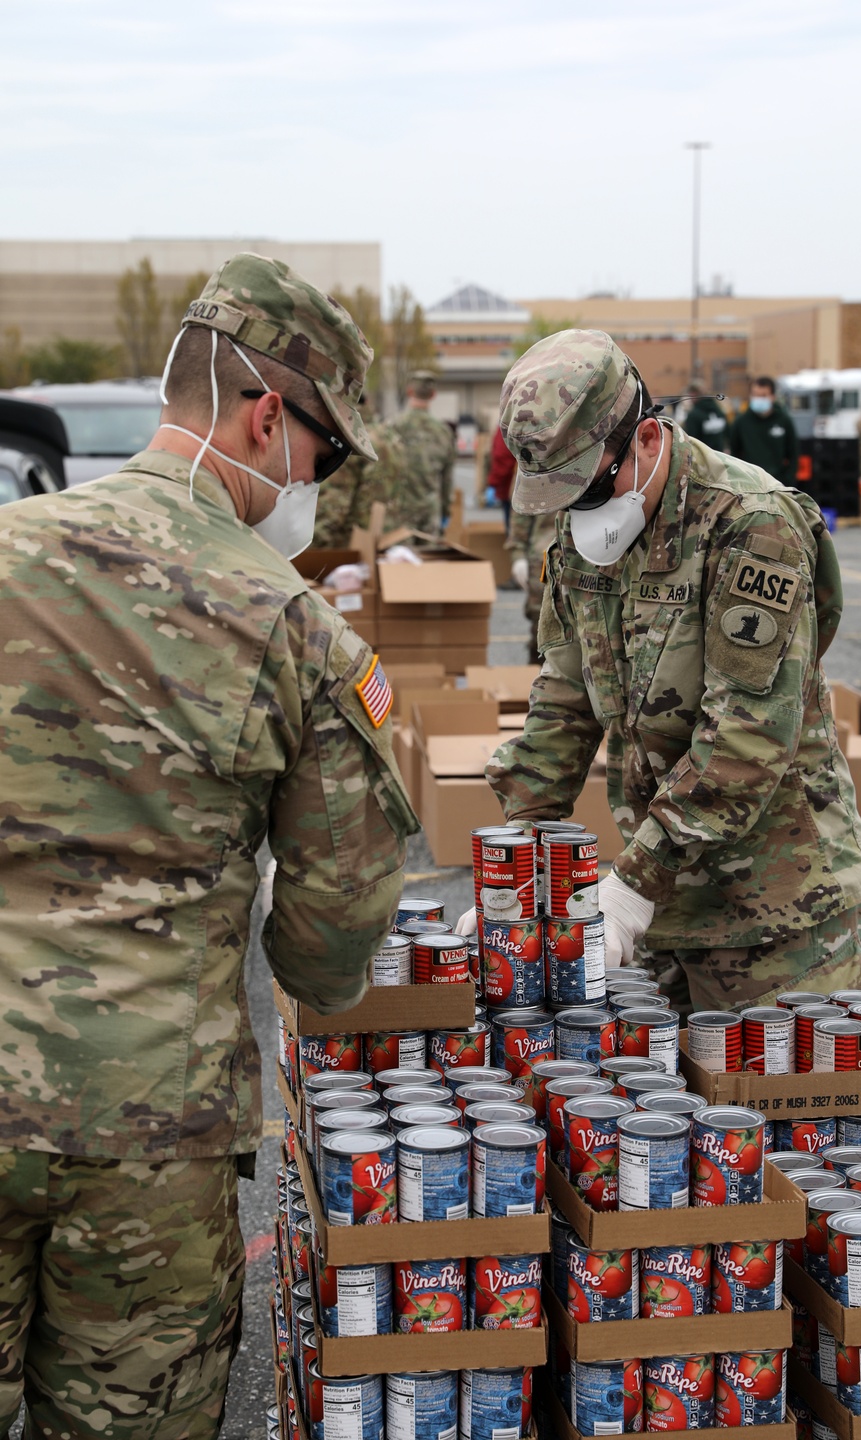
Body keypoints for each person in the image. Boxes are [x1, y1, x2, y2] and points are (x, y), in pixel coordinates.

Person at [0, 253, 418, 1439]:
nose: (315, 487)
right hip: (146, 1130)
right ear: (264, 413)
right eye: (322, 457)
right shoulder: (292, 626)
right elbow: (332, 938)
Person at [461, 330, 861, 1015]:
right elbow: (564, 697)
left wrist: (631, 886)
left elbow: (747, 739)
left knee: (786, 1114)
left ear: (647, 438)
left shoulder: (751, 526)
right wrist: (523, 863)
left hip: (779, 915)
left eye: (592, 485)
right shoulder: (585, 532)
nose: (581, 512)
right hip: (663, 905)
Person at [313, 409, 407, 548]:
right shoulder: (390, 437)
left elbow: (334, 504)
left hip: (350, 546)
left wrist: (315, 548)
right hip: (385, 540)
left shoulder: (352, 439)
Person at [384, 370, 456, 533]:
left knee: (399, 558)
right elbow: (447, 478)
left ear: (409, 391)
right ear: (433, 395)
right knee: (429, 557)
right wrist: (445, 510)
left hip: (398, 512)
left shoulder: (392, 427)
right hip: (429, 512)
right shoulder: (443, 431)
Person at [730, 375, 799, 485]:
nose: (759, 399)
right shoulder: (741, 422)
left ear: (772, 397)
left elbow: (793, 453)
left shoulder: (783, 420)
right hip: (750, 483)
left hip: (777, 483)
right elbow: (734, 453)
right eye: (755, 395)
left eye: (763, 396)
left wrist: (788, 481)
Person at [508, 510, 557, 663]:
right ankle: (538, 676)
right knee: (541, 621)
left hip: (586, 557)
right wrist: (518, 554)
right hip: (544, 557)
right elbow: (522, 510)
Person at [682, 379, 731, 452]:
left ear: (693, 394)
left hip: (704, 459)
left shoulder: (693, 415)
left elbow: (691, 441)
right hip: (721, 457)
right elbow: (728, 433)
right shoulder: (719, 410)